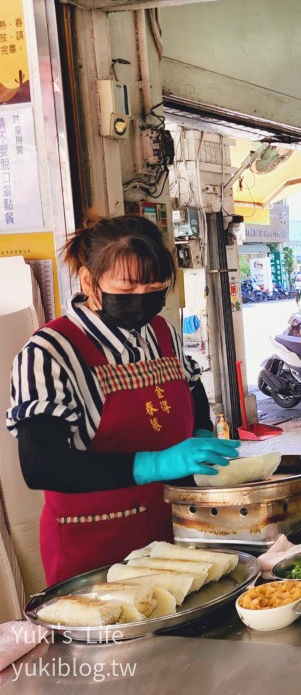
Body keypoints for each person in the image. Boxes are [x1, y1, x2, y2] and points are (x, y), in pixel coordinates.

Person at [6, 216, 239, 585]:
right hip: (95, 551)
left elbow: (190, 384)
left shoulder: (160, 331)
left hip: (176, 534)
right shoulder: (49, 352)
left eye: (154, 288)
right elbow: (42, 465)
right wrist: (154, 464)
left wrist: (201, 429)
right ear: (88, 281)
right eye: (127, 289)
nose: (141, 301)